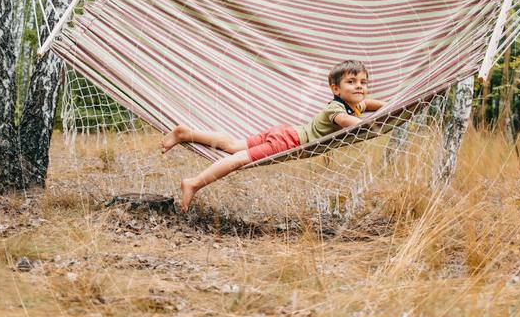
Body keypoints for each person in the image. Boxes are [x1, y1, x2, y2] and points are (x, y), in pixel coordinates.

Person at [160, 60, 386, 211]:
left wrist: (398, 107)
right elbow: (350, 123)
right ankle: (194, 183)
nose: (359, 87)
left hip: (285, 131)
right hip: (289, 141)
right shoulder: (336, 109)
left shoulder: (358, 103)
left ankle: (185, 133)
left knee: (231, 146)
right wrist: (373, 123)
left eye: (363, 83)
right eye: (351, 82)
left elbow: (376, 104)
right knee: (238, 159)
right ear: (336, 90)